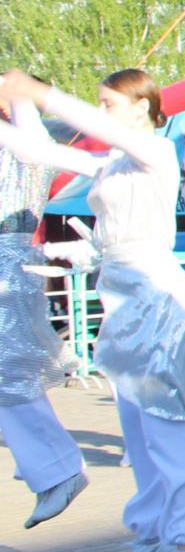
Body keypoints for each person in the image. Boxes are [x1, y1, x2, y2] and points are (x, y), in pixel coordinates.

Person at [0, 69, 185, 552]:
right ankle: (153, 535)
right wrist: (79, 253)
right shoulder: (111, 164)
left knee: (170, 433)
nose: (101, 112)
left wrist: (40, 92)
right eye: (98, 102)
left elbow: (97, 130)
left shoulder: (156, 153)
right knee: (138, 436)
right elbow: (33, 147)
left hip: (160, 306)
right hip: (124, 306)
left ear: (144, 106)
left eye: (109, 102)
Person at [0, 91, 87, 529]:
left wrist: (20, 95)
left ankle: (58, 470)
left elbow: (31, 130)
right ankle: (40, 461)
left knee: (10, 374)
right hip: (9, 264)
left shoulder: (23, 143)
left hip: (7, 265)